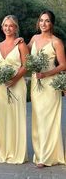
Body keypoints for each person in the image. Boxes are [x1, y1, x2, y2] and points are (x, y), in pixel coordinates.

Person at [28, 10, 66, 167]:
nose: (43, 23)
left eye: (47, 21)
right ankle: (40, 153)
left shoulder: (56, 42)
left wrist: (46, 74)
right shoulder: (34, 38)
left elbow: (63, 65)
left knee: (48, 119)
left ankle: (46, 156)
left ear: (52, 23)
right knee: (37, 118)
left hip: (50, 84)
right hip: (36, 85)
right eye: (41, 20)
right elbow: (24, 54)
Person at [0, 15, 28, 164]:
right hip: (2, 87)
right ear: (2, 27)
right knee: (3, 118)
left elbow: (26, 66)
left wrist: (14, 80)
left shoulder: (20, 44)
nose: (8, 28)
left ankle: (17, 153)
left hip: (17, 85)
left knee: (17, 116)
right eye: (5, 25)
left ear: (16, 28)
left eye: (11, 26)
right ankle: (4, 151)